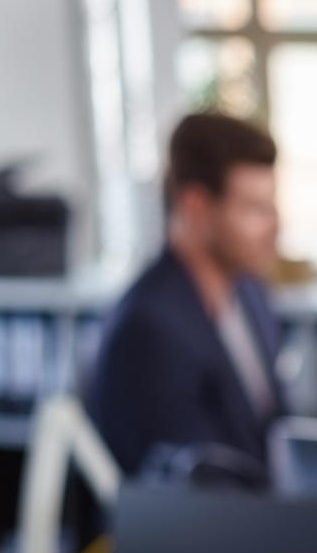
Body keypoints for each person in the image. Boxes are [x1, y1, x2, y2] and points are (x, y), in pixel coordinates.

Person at [90, 112, 288, 477]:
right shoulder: (147, 329)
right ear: (196, 206)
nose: (276, 227)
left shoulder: (252, 296)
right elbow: (183, 491)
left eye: (272, 206)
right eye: (254, 209)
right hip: (207, 528)